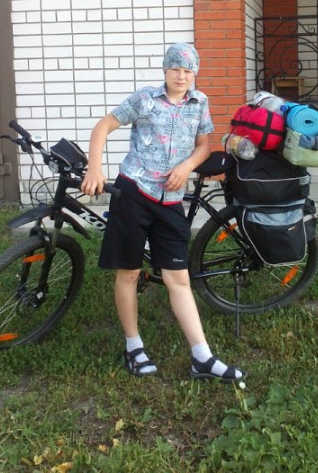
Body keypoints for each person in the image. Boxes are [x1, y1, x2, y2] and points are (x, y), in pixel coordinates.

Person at [81, 42, 245, 382]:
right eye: (175, 69)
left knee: (178, 277)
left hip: (170, 200)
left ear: (194, 73)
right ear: (165, 70)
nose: (181, 76)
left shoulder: (200, 103)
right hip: (134, 192)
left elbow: (204, 145)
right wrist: (94, 168)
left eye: (188, 71)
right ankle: (133, 346)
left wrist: (186, 167)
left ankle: (202, 356)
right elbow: (103, 127)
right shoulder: (145, 99)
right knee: (129, 272)